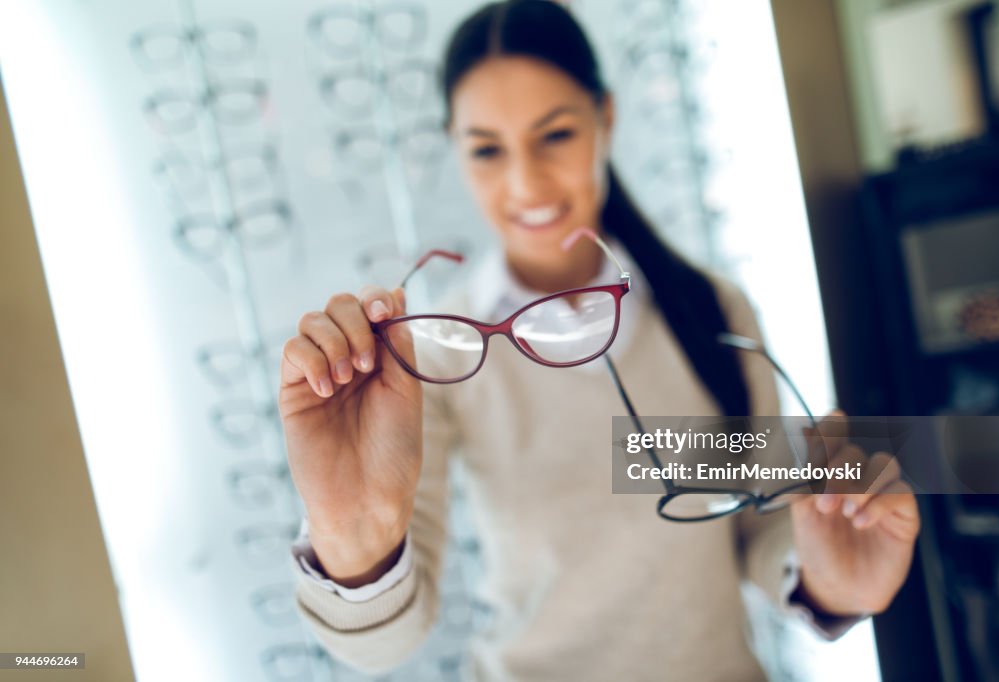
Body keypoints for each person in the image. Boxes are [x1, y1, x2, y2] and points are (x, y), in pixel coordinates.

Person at [279, 1, 920, 679]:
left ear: (605, 118)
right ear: (454, 146)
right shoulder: (437, 355)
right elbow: (380, 646)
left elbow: (758, 525)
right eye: (487, 149)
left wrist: (831, 583)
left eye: (554, 135)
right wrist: (355, 533)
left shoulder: (711, 312)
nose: (525, 182)